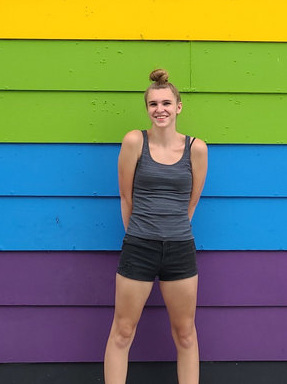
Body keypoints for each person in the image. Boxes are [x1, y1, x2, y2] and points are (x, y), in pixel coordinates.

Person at [104, 68, 208, 384]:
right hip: (139, 246)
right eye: (153, 104)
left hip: (180, 249)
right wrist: (142, 235)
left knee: (186, 333)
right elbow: (126, 197)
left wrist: (170, 231)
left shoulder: (196, 149)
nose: (160, 110)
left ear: (178, 107)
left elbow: (191, 203)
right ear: (147, 108)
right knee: (123, 331)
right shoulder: (134, 141)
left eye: (166, 103)